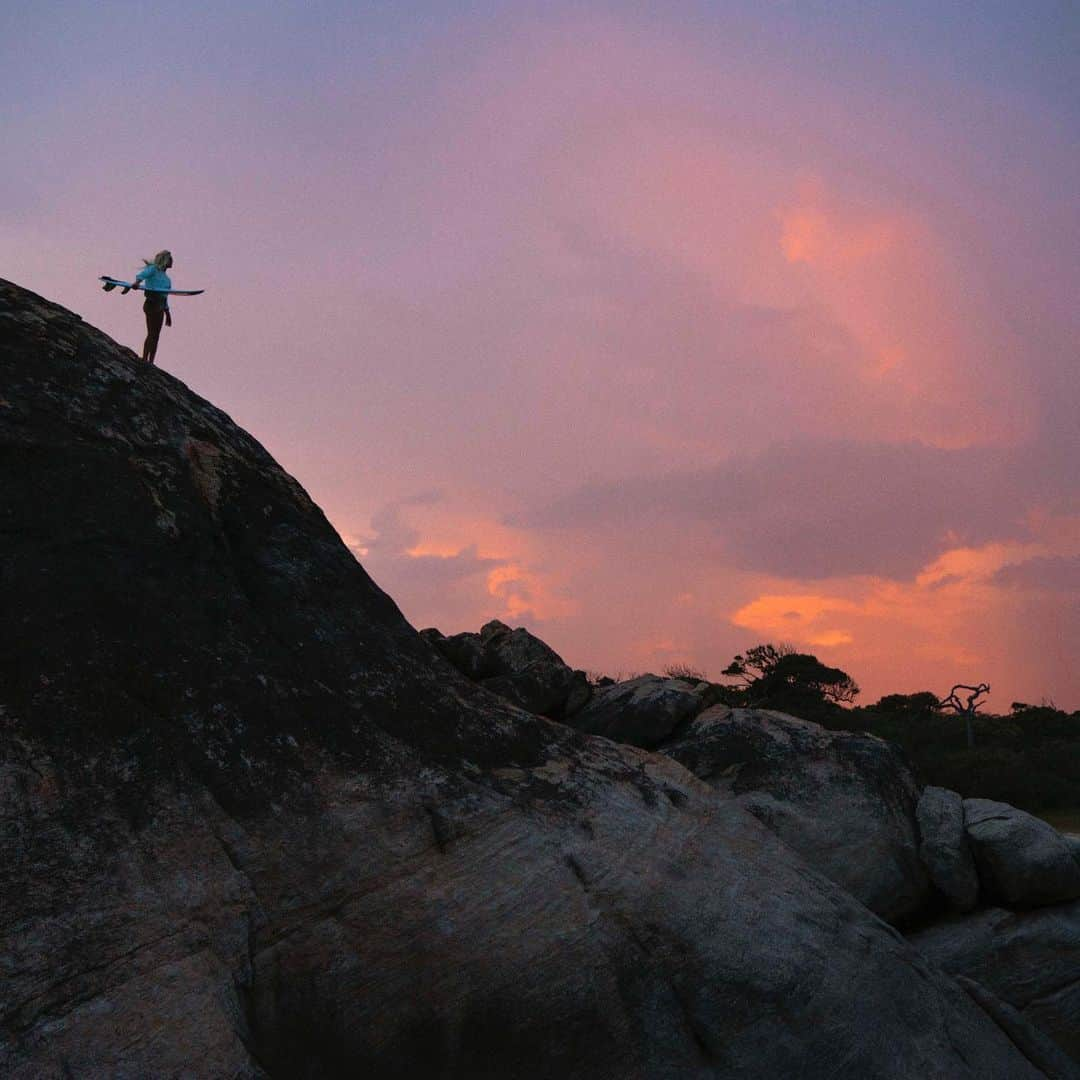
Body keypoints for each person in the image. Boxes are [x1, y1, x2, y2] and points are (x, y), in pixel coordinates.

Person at [123, 250, 173, 364]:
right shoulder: (153, 269)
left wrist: (168, 314)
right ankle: (145, 359)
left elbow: (165, 297)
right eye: (170, 259)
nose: (172, 261)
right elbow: (142, 275)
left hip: (160, 306)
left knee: (156, 335)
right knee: (151, 333)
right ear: (165, 260)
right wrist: (136, 283)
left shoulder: (167, 279)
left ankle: (151, 362)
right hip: (151, 303)